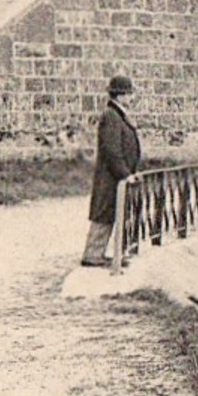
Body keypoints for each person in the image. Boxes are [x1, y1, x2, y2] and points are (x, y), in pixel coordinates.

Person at [81, 75, 141, 267]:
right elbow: (112, 150)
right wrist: (125, 173)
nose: (131, 98)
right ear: (120, 95)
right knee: (104, 212)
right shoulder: (111, 116)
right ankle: (92, 254)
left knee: (112, 212)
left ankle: (100, 253)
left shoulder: (118, 114)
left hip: (116, 176)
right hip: (110, 177)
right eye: (129, 94)